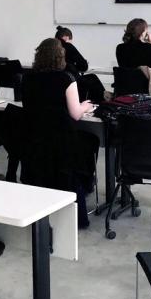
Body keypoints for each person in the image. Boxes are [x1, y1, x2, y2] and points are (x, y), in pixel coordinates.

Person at [21, 39, 98, 228]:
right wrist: (85, 106)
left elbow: (28, 106)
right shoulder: (66, 79)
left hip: (34, 138)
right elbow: (75, 114)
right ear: (60, 56)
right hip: (61, 139)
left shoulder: (28, 78)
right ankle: (79, 217)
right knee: (88, 145)